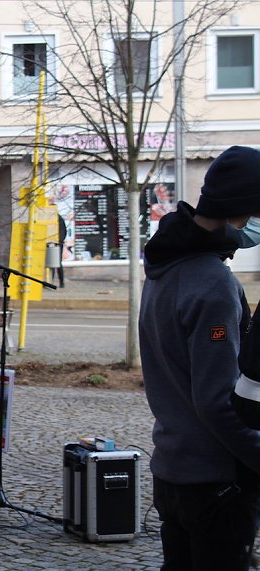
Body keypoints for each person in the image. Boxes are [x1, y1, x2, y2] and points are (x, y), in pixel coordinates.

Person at [139, 145, 260, 571]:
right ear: (243, 210)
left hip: (172, 470)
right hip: (214, 481)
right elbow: (218, 399)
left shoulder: (163, 266)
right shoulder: (211, 281)